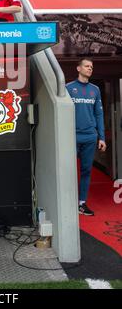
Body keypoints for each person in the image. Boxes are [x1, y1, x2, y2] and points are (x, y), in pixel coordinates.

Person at [66, 59, 106, 216]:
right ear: (78, 68)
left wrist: (101, 137)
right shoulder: (68, 88)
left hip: (90, 136)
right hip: (72, 136)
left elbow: (99, 114)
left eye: (91, 67)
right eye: (87, 66)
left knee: (86, 170)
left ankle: (81, 204)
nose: (90, 69)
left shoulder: (95, 90)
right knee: (68, 171)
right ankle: (67, 201)